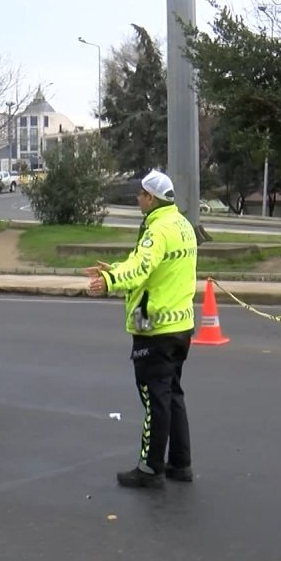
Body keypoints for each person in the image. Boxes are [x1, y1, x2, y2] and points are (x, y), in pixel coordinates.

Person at [86, 170, 198, 489]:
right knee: (172, 394)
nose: (137, 199)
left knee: (154, 398)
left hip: (154, 326)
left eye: (140, 194)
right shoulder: (182, 226)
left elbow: (142, 268)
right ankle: (180, 463)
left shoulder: (156, 229)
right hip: (180, 324)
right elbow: (145, 265)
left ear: (151, 197)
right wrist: (116, 269)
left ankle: (151, 468)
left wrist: (109, 281)